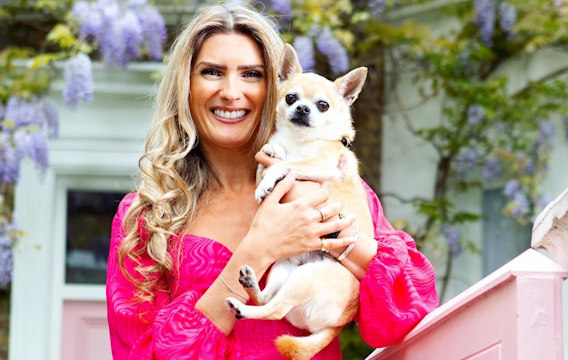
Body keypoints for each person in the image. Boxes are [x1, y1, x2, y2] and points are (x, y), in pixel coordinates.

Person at [107, 4, 439, 359]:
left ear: (276, 85)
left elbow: (410, 312)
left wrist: (329, 236)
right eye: (211, 72)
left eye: (251, 74)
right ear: (184, 86)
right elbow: (141, 352)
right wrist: (260, 248)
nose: (231, 92)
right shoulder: (146, 218)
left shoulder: (333, 181)